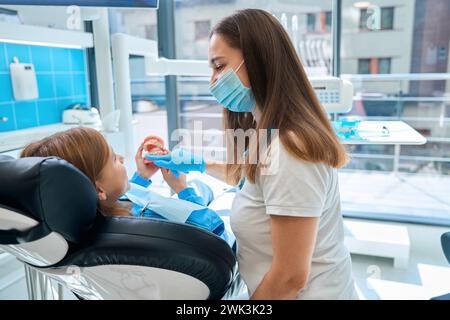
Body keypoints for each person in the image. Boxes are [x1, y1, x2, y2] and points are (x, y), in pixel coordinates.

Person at [146, 9, 358, 300]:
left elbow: (290, 278)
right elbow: (252, 177)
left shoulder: (290, 151)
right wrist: (196, 164)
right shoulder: (267, 129)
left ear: (258, 60)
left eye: (219, 67)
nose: (213, 81)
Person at [20, 127, 233, 246]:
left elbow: (119, 200)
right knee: (224, 192)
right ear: (98, 189)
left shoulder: (90, 216)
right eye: (114, 159)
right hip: (217, 228)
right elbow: (212, 233)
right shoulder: (149, 227)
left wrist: (140, 177)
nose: (122, 157)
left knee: (200, 185)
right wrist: (182, 189)